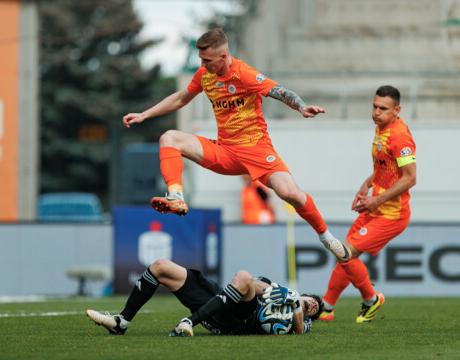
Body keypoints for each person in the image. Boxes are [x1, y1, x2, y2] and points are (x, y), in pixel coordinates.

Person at [122, 28, 349, 261]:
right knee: (168, 138)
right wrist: (144, 114)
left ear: (223, 56)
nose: (203, 64)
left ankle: (327, 238)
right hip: (225, 151)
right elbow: (181, 98)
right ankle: (176, 197)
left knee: (293, 195)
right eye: (201, 59)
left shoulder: (244, 74)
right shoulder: (204, 75)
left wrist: (301, 107)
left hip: (256, 151)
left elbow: (279, 91)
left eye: (207, 60)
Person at [318, 85, 417, 323]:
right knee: (343, 252)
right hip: (376, 206)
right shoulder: (381, 129)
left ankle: (371, 299)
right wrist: (367, 184)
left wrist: (377, 199)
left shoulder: (400, 136)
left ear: (397, 110)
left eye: (383, 108)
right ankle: (327, 307)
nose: (376, 112)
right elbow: (386, 168)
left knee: (346, 253)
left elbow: (410, 178)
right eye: (374, 106)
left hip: (392, 214)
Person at [86, 258, 324, 336]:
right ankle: (121, 322)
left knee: (243, 276)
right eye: (312, 299)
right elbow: (258, 284)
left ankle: (189, 321)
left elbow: (299, 330)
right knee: (160, 267)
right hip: (220, 302)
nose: (314, 304)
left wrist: (296, 305)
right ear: (304, 293)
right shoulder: (279, 289)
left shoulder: (302, 320)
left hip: (243, 319)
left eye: (315, 307)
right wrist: (283, 292)